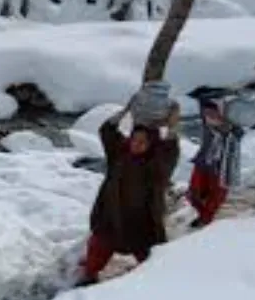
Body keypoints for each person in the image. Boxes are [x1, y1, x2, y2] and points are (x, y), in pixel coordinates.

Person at [78, 102, 180, 286]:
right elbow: (107, 131)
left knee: (152, 258)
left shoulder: (156, 166)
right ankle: (90, 274)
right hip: (111, 214)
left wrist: (172, 128)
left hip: (141, 222)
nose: (136, 144)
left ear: (151, 144)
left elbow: (170, 152)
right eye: (134, 139)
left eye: (143, 142)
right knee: (99, 247)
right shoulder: (119, 152)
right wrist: (126, 110)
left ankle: (156, 283)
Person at [186, 100, 244, 229]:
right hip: (203, 161)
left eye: (212, 114)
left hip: (221, 166)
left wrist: (228, 128)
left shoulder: (233, 130)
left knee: (216, 195)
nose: (209, 117)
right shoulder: (207, 127)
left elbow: (237, 136)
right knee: (193, 193)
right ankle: (203, 215)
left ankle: (206, 219)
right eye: (206, 114)